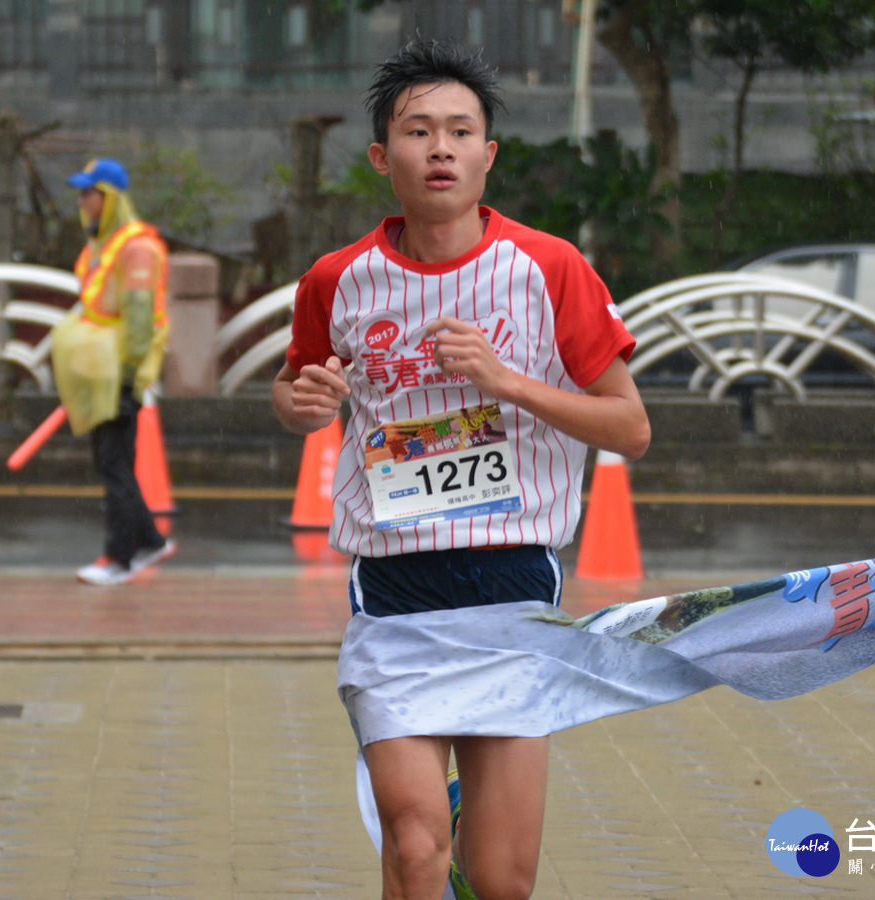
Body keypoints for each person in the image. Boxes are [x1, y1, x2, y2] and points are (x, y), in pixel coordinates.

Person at [272, 40, 650, 900]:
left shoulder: (550, 269)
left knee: (501, 881)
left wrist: (507, 382)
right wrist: (297, 404)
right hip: (395, 601)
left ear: (488, 154)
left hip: (514, 593)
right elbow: (293, 388)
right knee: (413, 847)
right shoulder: (338, 280)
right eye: (417, 131)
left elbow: (630, 428)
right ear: (382, 156)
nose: (439, 148)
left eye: (459, 131)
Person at [53, 157, 176, 586]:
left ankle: (118, 557)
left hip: (117, 373)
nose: (82, 200)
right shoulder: (102, 245)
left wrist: (127, 374)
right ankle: (150, 542)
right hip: (100, 370)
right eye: (81, 192)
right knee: (112, 463)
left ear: (110, 198)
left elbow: (140, 318)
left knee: (115, 464)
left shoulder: (135, 247)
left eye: (90, 192)